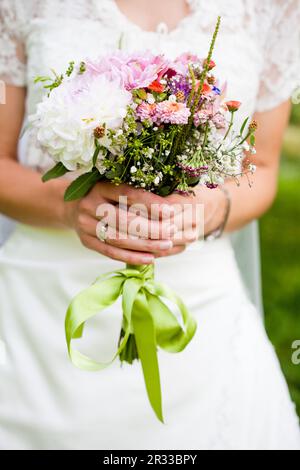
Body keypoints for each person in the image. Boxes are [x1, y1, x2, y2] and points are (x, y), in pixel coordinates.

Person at [0, 0, 299, 450]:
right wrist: (68, 204)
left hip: (200, 299)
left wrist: (207, 211)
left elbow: (263, 166)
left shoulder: (275, 8)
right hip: (38, 310)